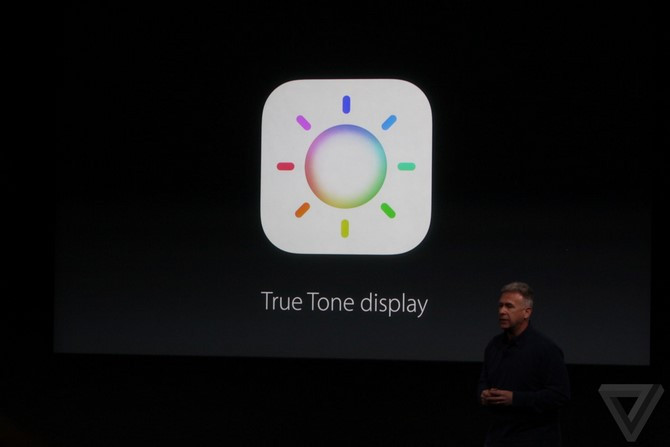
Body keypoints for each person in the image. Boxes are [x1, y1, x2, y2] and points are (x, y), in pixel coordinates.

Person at [478, 282, 570, 447]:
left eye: (509, 306)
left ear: (527, 312)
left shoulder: (546, 349)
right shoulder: (494, 346)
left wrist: (515, 399)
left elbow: (559, 395)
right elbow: (484, 381)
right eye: (500, 306)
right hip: (498, 438)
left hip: (535, 439)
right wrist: (483, 394)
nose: (502, 311)